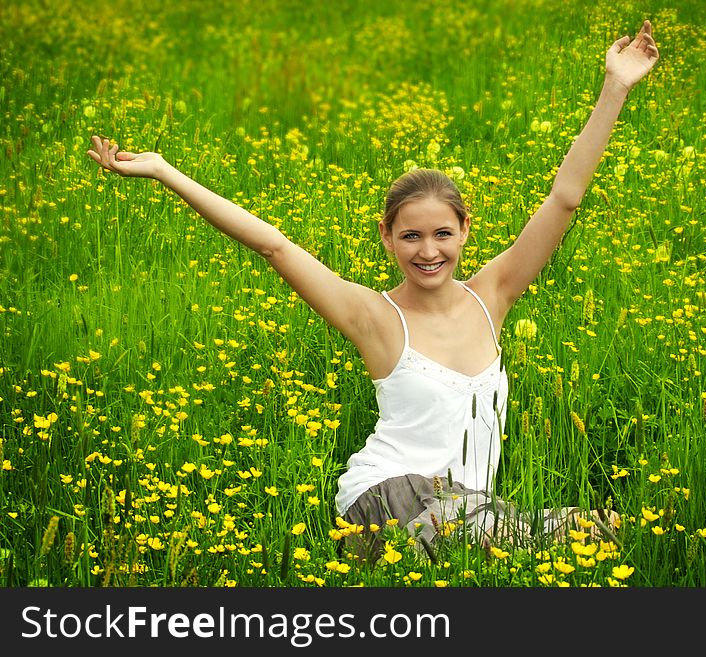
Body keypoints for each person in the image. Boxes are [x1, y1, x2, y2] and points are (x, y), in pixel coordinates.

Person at [87, 21, 659, 562]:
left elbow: (565, 198)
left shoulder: (494, 296)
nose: (428, 251)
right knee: (478, 528)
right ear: (387, 237)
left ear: (465, 231)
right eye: (410, 236)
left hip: (465, 507)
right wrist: (166, 171)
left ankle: (528, 534)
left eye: (442, 233)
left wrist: (615, 87)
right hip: (383, 496)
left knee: (523, 531)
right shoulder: (374, 317)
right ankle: (519, 534)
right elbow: (275, 247)